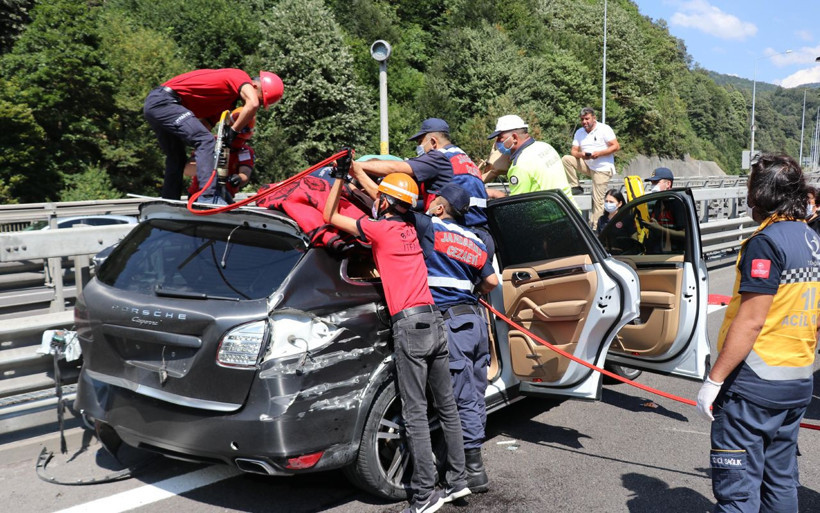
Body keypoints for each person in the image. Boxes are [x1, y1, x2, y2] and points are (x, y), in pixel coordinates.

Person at [323, 164, 468, 513]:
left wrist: (342, 177)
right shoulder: (418, 226)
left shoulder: (378, 230)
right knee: (447, 407)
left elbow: (329, 215)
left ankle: (424, 495)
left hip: (411, 328)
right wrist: (361, 175)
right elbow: (391, 199)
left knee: (415, 412)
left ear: (386, 204)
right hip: (435, 321)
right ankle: (458, 482)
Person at [696, 154, 820, 513]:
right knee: (781, 482)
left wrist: (714, 380)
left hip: (754, 384)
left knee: (738, 491)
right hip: (798, 380)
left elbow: (750, 321)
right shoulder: (811, 238)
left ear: (760, 195)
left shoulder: (766, 242)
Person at [143, 68, 283, 201]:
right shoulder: (240, 76)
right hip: (164, 101)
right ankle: (208, 197)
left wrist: (222, 142)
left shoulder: (226, 102)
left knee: (177, 156)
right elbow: (252, 104)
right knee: (206, 141)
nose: (257, 105)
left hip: (159, 106)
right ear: (254, 86)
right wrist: (234, 131)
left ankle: (169, 201)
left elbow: (206, 125)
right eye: (260, 100)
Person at [351, 118, 455, 210]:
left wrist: (355, 166)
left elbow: (395, 168)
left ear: (433, 142)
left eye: (420, 142)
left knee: (396, 210)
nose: (418, 146)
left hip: (447, 221)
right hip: (461, 217)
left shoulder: (437, 158)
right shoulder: (458, 155)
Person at [484, 115, 575, 205]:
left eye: (500, 138)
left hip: (547, 218)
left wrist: (496, 194)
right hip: (571, 212)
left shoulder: (520, 165)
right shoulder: (545, 146)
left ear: (514, 138)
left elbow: (517, 206)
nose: (497, 143)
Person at [561, 107, 620, 228]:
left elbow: (615, 146)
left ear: (594, 118)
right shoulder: (579, 132)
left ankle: (595, 227)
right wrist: (581, 155)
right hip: (588, 165)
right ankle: (575, 186)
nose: (584, 122)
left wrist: (599, 153)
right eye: (582, 119)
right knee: (566, 159)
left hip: (602, 169)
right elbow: (573, 151)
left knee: (597, 201)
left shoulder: (604, 129)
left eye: (587, 119)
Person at [185, 107, 255, 202]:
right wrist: (211, 162)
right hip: (199, 195)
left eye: (241, 139)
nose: (237, 142)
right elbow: (187, 170)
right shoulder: (209, 143)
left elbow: (245, 173)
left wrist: (239, 178)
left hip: (225, 195)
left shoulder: (244, 151)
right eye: (236, 138)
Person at [642, 167, 685, 254]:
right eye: (652, 182)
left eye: (656, 182)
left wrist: (660, 229)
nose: (653, 185)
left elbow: (685, 234)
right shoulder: (658, 202)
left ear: (668, 184)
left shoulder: (677, 203)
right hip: (656, 253)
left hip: (672, 255)